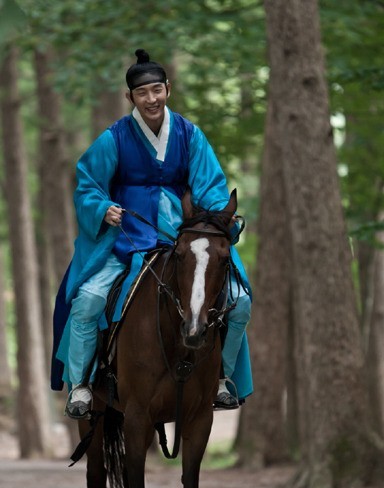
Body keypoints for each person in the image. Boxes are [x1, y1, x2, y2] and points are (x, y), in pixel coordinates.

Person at [51, 49, 253, 419]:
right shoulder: (114, 138)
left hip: (184, 236)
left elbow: (211, 188)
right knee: (87, 299)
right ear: (131, 97)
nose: (151, 99)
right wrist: (101, 208)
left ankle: (221, 377)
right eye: (142, 93)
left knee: (239, 300)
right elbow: (87, 185)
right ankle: (80, 385)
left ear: (168, 89)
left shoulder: (190, 136)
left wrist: (217, 218)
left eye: (157, 90)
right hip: (127, 236)